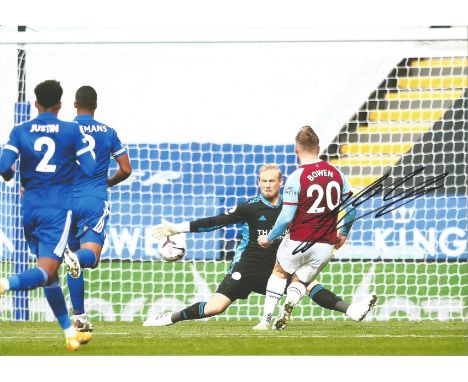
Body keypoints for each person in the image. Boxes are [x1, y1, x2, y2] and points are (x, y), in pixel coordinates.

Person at [143, 163, 373, 327]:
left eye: (272, 180)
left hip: (279, 267)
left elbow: (319, 220)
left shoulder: (294, 206)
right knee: (214, 308)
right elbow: (216, 222)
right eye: (263, 181)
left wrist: (338, 234)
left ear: (281, 182)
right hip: (247, 267)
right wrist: (179, 228)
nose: (267, 185)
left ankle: (351, 310)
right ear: (258, 183)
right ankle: (167, 319)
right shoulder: (249, 207)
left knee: (309, 284)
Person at [0, 80, 97, 350]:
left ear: (35, 103)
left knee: (51, 276)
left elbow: (4, 167)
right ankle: (5, 284)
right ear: (60, 104)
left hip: (29, 209)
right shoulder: (70, 131)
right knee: (47, 270)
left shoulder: (20, 130)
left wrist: (12, 174)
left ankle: (69, 333)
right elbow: (89, 168)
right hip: (57, 210)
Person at [256, 126, 377, 330]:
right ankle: (291, 302)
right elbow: (352, 210)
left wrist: (269, 238)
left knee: (279, 271)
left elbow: (286, 217)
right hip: (325, 245)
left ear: (296, 149)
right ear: (318, 148)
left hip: (298, 240)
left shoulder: (297, 176)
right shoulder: (337, 174)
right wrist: (343, 234)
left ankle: (264, 321)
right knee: (301, 281)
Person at [64, 85, 132, 332]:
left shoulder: (62, 131)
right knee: (89, 258)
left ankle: (79, 317)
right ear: (95, 105)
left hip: (64, 201)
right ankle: (75, 260)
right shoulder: (107, 132)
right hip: (93, 199)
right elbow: (126, 169)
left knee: (75, 261)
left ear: (75, 104)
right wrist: (108, 182)